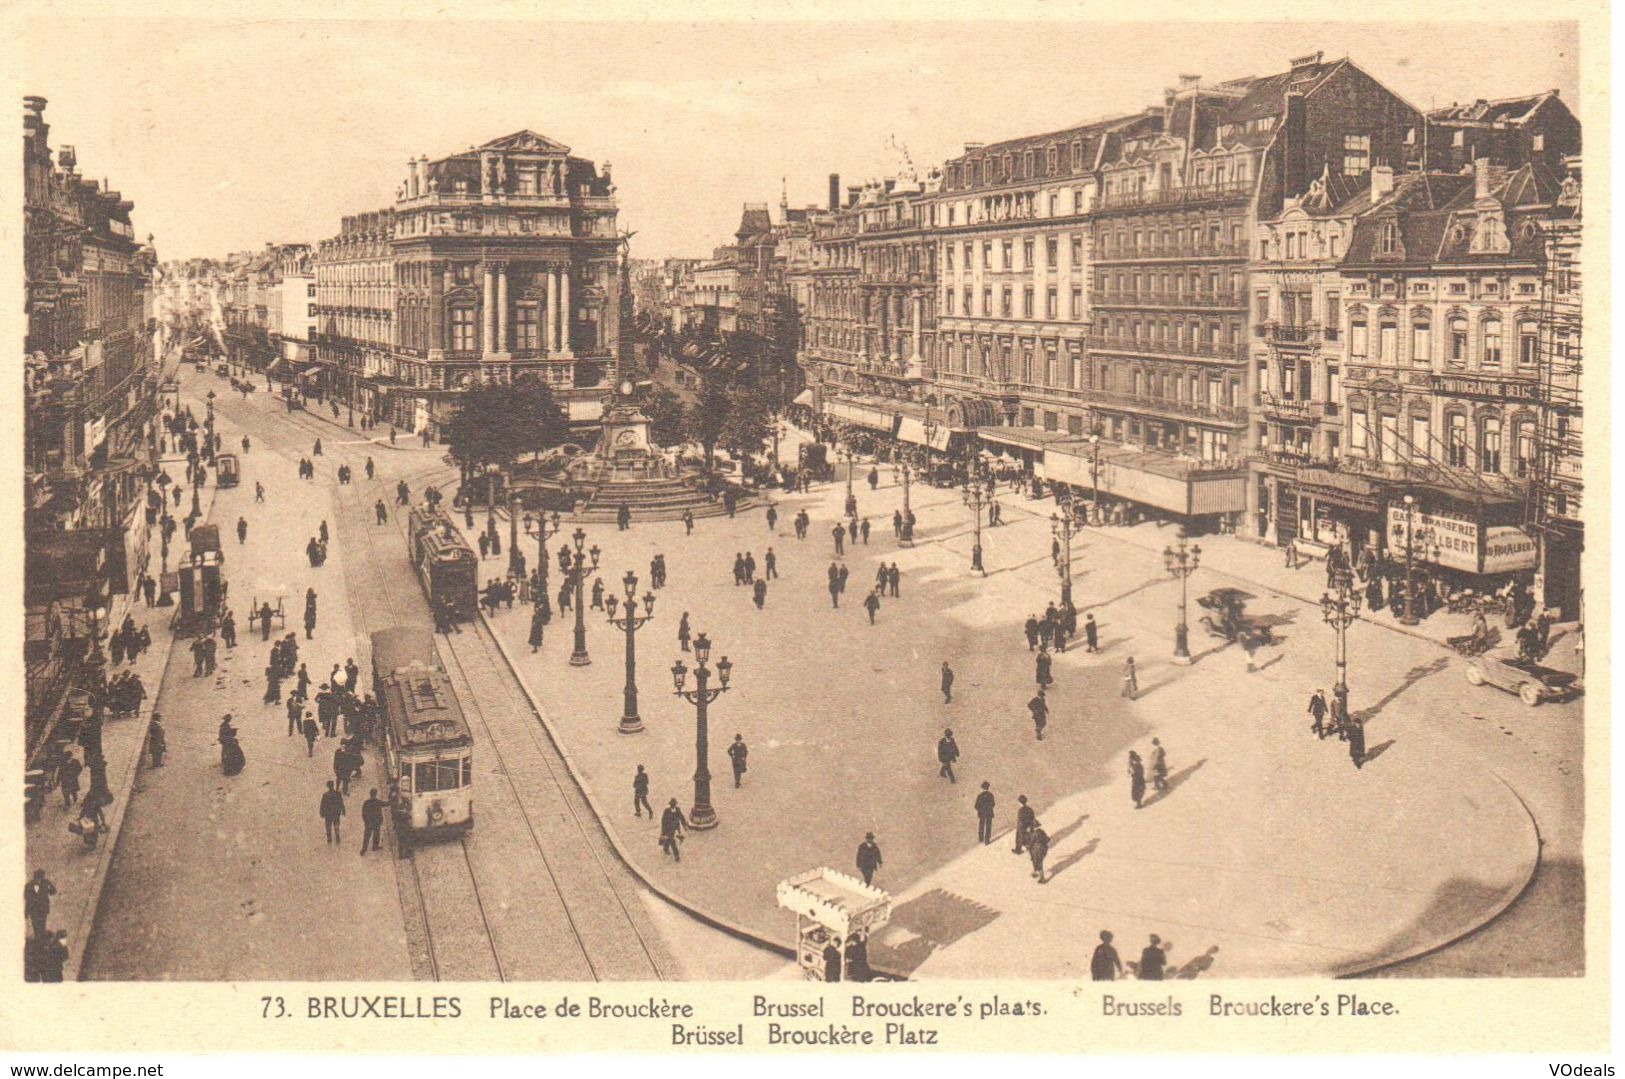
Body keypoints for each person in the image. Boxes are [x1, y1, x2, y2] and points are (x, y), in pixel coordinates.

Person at [24, 870, 55, 941]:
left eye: (41, 878)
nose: (39, 880)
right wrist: (26, 913)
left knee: (42, 926)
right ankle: (38, 941)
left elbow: (53, 891)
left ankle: (41, 941)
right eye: (38, 878)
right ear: (35, 877)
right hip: (33, 911)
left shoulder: (45, 883)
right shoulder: (28, 886)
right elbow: (27, 900)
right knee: (36, 927)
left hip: (43, 910)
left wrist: (49, 886)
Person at [360, 788, 385, 856]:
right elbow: (386, 804)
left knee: (367, 836)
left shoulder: (366, 802)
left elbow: (363, 813)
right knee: (376, 835)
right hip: (377, 822)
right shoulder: (378, 802)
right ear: (375, 794)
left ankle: (364, 849)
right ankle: (375, 847)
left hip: (369, 822)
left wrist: (366, 821)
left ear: (370, 794)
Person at [320, 780, 345, 844]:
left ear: (328, 786)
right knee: (336, 825)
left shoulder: (325, 795)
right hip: (336, 813)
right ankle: (337, 837)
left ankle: (329, 839)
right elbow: (341, 802)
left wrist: (322, 813)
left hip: (328, 814)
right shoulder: (337, 793)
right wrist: (343, 810)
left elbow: (322, 804)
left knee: (328, 826)